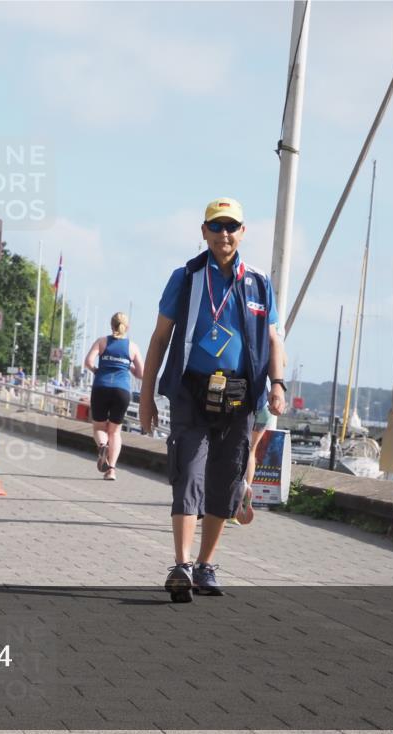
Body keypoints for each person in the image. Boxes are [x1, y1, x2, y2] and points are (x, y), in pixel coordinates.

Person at [138, 197, 287, 603]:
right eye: (216, 226)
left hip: (240, 396)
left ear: (243, 231)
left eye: (231, 226)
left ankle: (205, 565)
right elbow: (158, 339)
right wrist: (146, 396)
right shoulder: (186, 277)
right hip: (191, 392)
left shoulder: (258, 283)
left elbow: (274, 338)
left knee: (226, 482)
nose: (224, 234)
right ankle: (181, 565)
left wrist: (278, 384)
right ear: (203, 231)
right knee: (188, 472)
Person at [84, 312, 144, 481]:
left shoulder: (102, 341)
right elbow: (141, 373)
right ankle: (111, 470)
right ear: (127, 327)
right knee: (115, 432)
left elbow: (88, 362)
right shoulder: (132, 347)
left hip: (101, 386)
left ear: (111, 325)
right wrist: (128, 367)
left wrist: (97, 371)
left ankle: (103, 446)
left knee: (99, 428)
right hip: (122, 390)